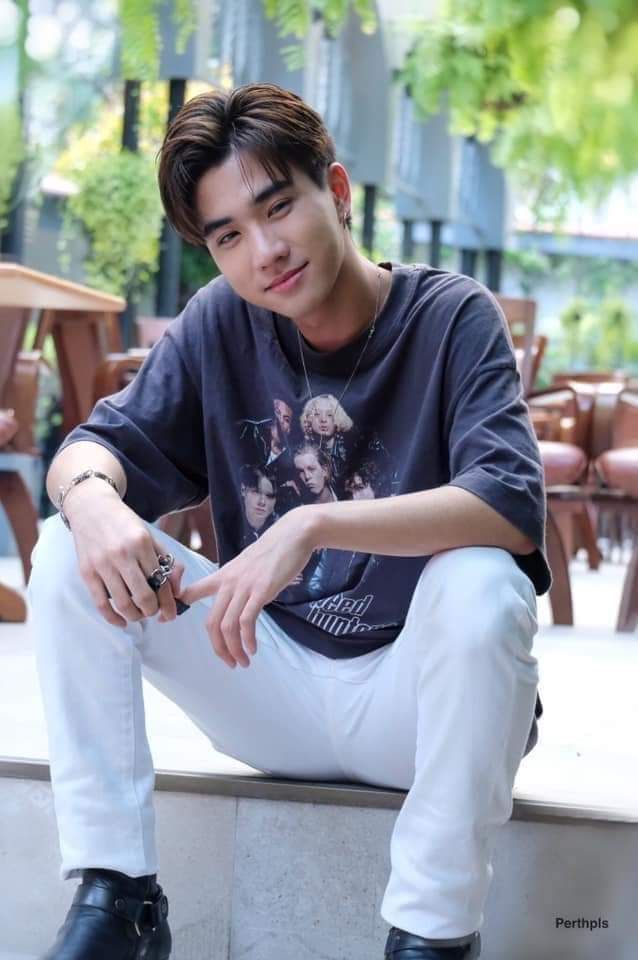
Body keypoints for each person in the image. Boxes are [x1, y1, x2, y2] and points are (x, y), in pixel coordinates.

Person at [28, 81, 551, 960]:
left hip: (415, 709)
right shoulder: (220, 324)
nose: (264, 251)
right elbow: (93, 449)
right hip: (264, 680)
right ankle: (119, 901)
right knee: (63, 550)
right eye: (228, 236)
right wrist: (89, 503)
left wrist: (308, 527)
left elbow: (508, 503)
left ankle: (432, 935)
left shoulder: (452, 316)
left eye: (278, 208)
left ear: (336, 192)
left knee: (484, 582)